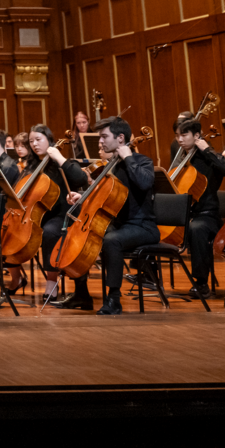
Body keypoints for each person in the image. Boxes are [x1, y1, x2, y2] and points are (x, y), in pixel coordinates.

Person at [52, 117, 157, 315]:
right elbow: (103, 197)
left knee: (111, 240)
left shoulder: (142, 162)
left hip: (143, 227)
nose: (100, 141)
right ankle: (81, 292)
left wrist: (128, 157)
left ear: (120, 138)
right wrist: (82, 196)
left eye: (103, 136)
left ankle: (114, 299)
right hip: (119, 225)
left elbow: (144, 183)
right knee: (82, 235)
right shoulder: (112, 166)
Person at [2, 125, 89, 301]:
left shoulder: (63, 163)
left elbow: (80, 179)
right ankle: (15, 278)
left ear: (49, 140)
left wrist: (59, 157)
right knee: (8, 230)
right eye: (31, 141)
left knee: (50, 232)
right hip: (37, 215)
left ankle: (51, 281)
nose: (34, 144)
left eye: (38, 140)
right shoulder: (31, 166)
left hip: (62, 215)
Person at [169, 117, 225, 300]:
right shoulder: (182, 159)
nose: (180, 139)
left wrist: (206, 149)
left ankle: (201, 283)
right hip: (185, 214)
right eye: (177, 135)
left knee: (196, 229)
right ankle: (146, 277)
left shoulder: (209, 158)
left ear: (197, 136)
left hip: (207, 216)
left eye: (184, 135)